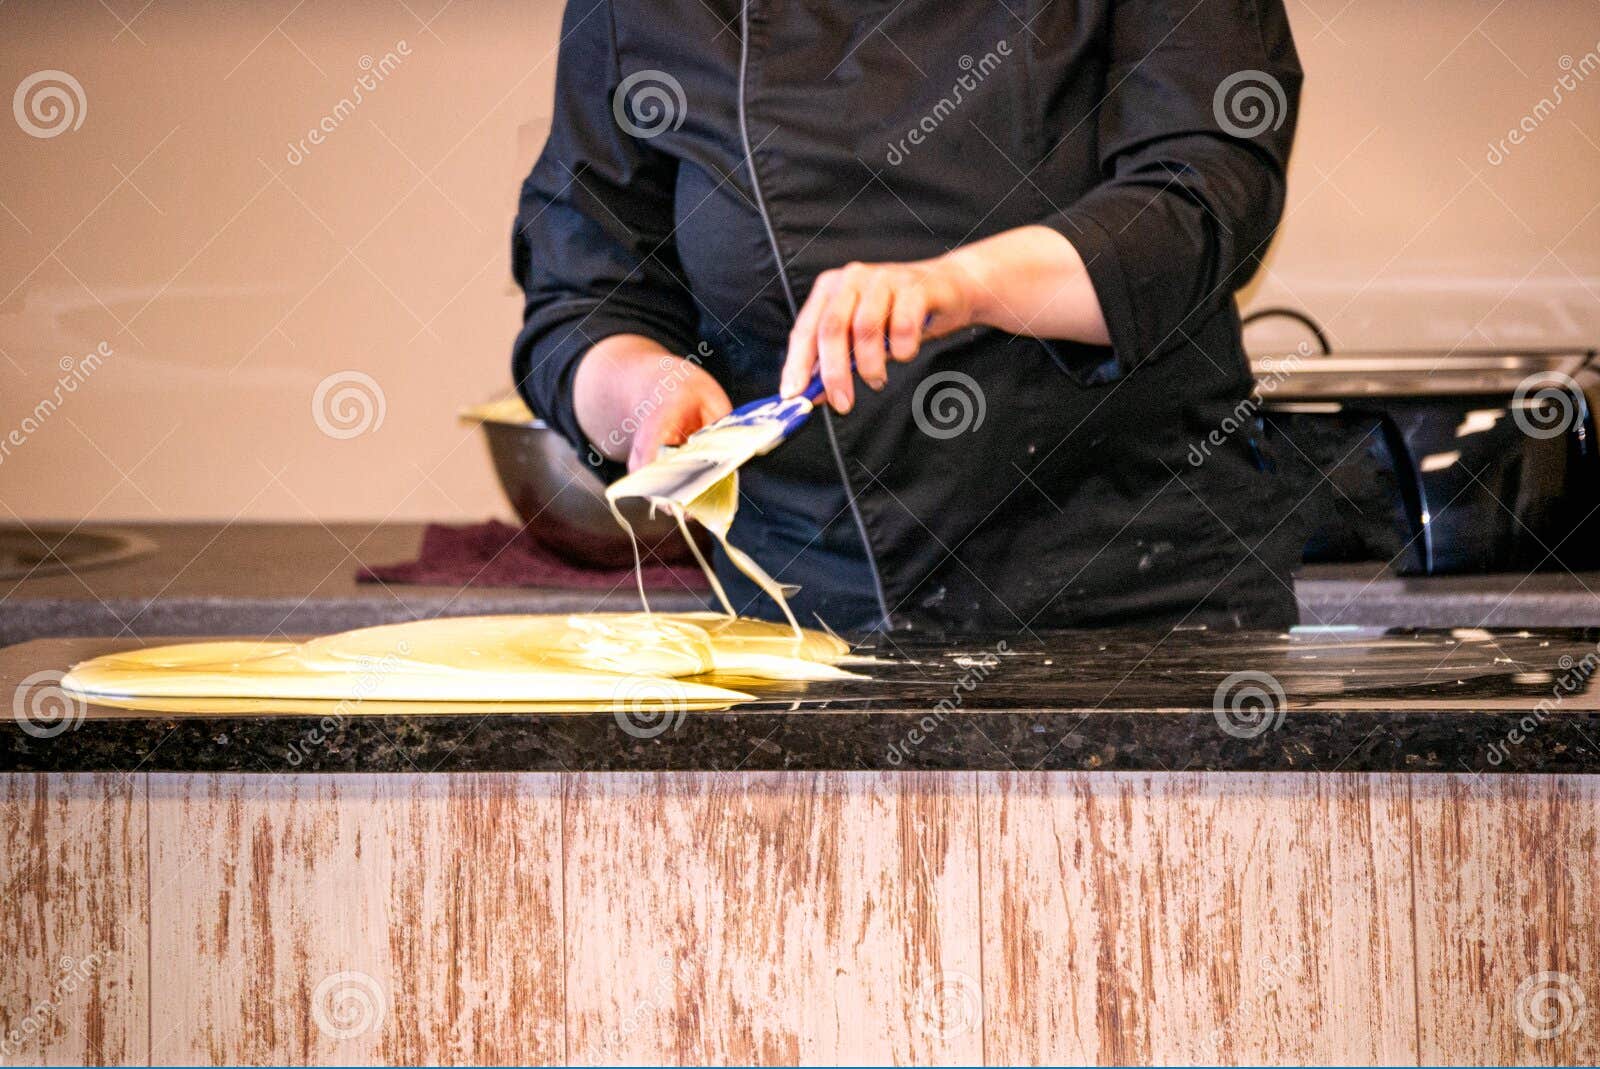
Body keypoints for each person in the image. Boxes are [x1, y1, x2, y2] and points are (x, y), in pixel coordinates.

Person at [513, 0, 1304, 634]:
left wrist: (960, 284)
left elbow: (1206, 198)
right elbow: (584, 295)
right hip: (807, 629)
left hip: (1140, 608)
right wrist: (643, 389)